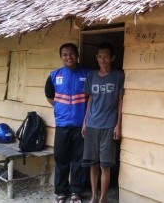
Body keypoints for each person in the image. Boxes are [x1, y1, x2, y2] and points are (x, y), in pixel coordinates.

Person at [45, 43, 89, 203]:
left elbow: (91, 98)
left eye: (71, 54)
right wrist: (61, 109)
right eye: (65, 54)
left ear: (77, 55)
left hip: (80, 125)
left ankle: (76, 192)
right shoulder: (54, 75)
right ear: (61, 57)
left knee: (79, 160)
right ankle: (61, 192)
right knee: (61, 158)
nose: (68, 57)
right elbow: (50, 96)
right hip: (62, 124)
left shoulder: (87, 73)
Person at [81, 42, 124, 203]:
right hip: (92, 125)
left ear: (112, 58)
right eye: (100, 57)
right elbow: (90, 99)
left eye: (106, 56)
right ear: (96, 58)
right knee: (93, 164)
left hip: (108, 126)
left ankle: (103, 198)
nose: (103, 60)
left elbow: (120, 101)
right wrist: (85, 122)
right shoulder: (91, 76)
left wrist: (118, 124)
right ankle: (93, 196)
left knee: (104, 165)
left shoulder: (119, 75)